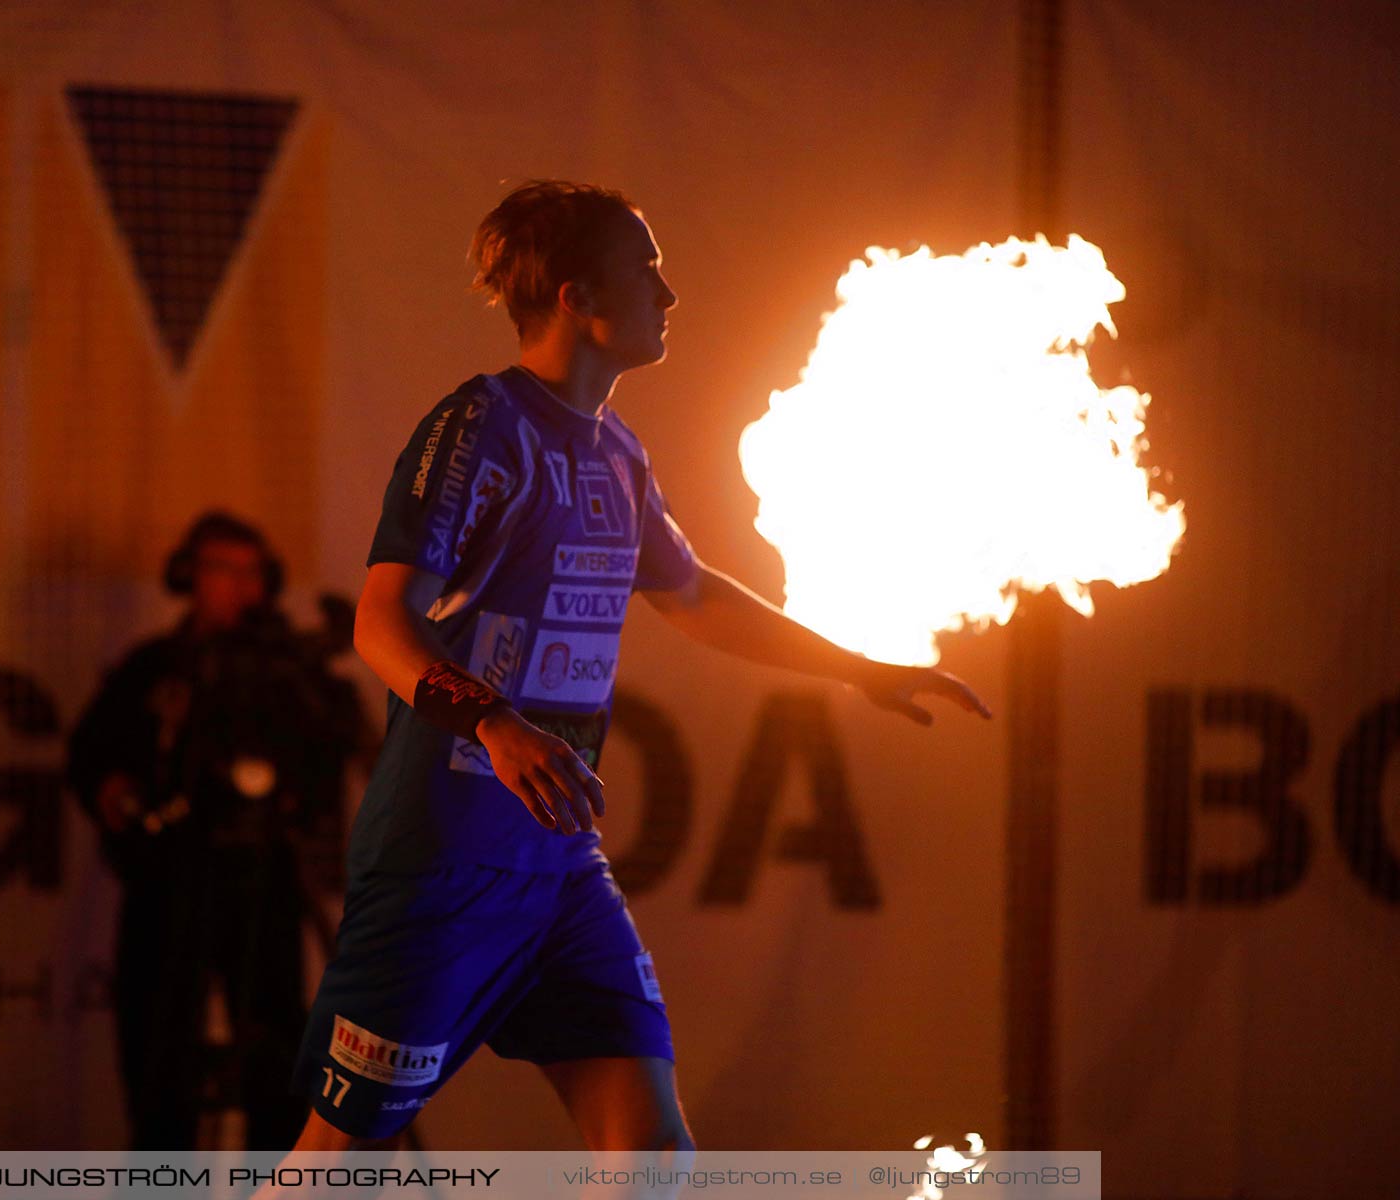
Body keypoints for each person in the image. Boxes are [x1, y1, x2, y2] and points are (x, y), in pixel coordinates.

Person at [287, 180, 993, 1153]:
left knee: (653, 1157)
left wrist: (859, 666)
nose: (668, 294)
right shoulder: (482, 426)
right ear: (578, 295)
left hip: (559, 868)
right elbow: (381, 624)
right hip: (444, 861)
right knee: (336, 1164)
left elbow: (692, 595)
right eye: (645, 268)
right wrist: (496, 724)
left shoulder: (617, 451)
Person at [67, 511, 365, 1150]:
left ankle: (278, 1188)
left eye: (250, 572)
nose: (238, 586)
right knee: (157, 1047)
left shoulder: (288, 674)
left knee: (277, 1045)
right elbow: (92, 751)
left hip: (264, 880)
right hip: (166, 879)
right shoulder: (154, 669)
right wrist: (115, 792)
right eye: (221, 570)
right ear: (188, 577)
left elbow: (339, 746)